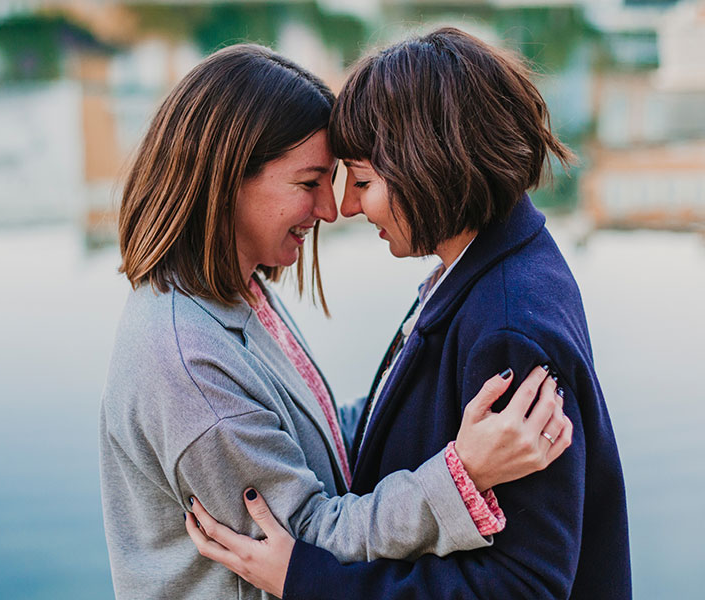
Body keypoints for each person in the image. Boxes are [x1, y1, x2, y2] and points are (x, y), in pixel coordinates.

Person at [100, 43, 571, 600]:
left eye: (347, 179)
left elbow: (308, 433)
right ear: (228, 179)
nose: (332, 208)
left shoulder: (233, 292)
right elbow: (306, 546)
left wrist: (426, 406)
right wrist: (460, 473)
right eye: (309, 183)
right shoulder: (186, 364)